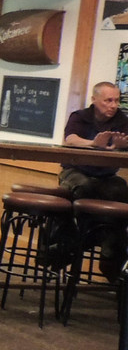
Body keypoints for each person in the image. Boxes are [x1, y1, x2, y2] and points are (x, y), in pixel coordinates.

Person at [59, 81, 128, 274]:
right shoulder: (80, 116)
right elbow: (71, 139)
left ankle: (110, 249)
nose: (113, 105)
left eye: (116, 100)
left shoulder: (122, 120)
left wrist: (121, 147)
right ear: (94, 99)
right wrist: (93, 143)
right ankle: (77, 240)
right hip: (75, 171)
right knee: (84, 186)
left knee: (122, 191)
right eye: (108, 100)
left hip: (106, 176)